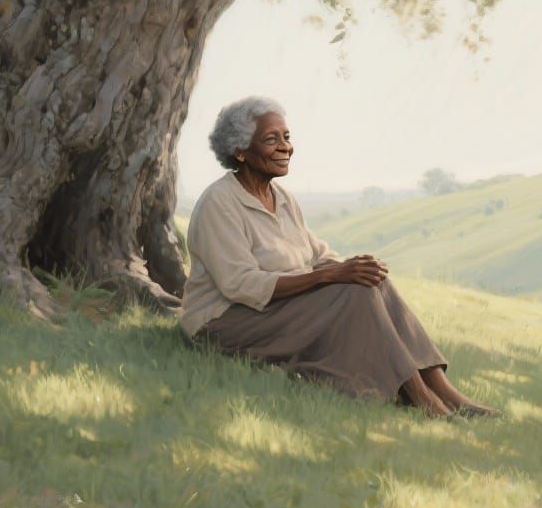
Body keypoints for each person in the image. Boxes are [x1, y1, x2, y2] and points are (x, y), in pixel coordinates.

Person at [180, 96, 498, 418]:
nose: (285, 147)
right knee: (353, 291)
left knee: (373, 281)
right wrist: (329, 276)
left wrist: (351, 267)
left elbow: (317, 253)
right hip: (226, 322)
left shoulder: (282, 198)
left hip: (278, 309)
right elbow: (240, 285)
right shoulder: (219, 202)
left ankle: (448, 395)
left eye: (286, 137)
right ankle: (423, 401)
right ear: (240, 151)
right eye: (270, 139)